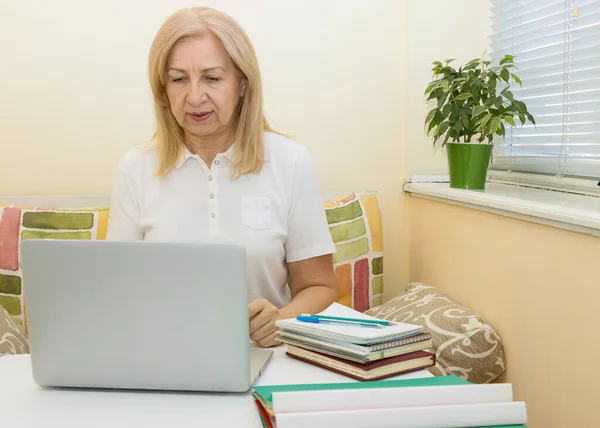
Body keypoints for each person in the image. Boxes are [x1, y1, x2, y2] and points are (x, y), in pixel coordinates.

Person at [106, 7, 338, 348]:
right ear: (163, 89)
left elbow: (320, 287)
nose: (195, 97)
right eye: (179, 78)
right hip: (160, 357)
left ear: (242, 84)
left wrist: (280, 321)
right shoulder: (135, 167)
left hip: (263, 358)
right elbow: (116, 291)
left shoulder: (290, 162)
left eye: (212, 78)